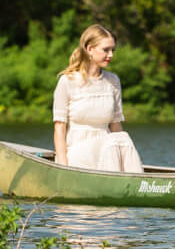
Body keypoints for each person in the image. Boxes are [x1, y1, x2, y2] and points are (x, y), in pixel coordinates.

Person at [52, 24, 144, 172]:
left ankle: (137, 184)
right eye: (106, 50)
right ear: (89, 49)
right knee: (116, 140)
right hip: (77, 153)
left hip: (108, 153)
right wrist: (63, 166)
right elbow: (59, 129)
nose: (111, 55)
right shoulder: (67, 81)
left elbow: (116, 127)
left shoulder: (113, 81)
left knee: (122, 137)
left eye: (113, 50)